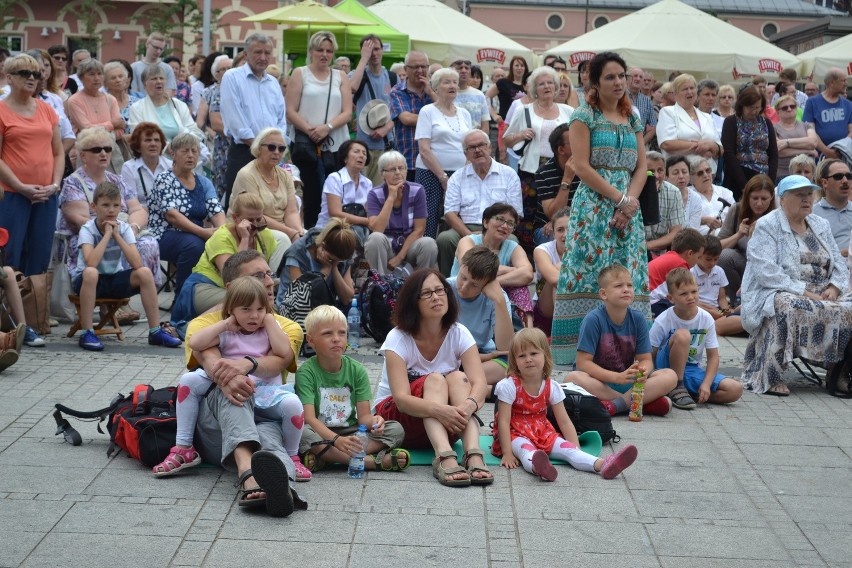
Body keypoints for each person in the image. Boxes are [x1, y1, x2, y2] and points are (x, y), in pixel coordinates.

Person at [184, 251, 307, 517]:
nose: (269, 282)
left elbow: (281, 359)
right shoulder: (205, 324)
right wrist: (230, 377)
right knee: (236, 394)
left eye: (269, 274)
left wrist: (247, 364)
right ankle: (247, 474)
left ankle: (282, 488)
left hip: (264, 413)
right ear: (232, 290)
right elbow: (206, 356)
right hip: (218, 421)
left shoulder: (286, 326)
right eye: (257, 276)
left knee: (270, 441)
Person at [154, 275, 309, 480]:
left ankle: (292, 456)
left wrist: (270, 321)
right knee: (188, 381)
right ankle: (184, 446)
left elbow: (282, 352)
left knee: (293, 405)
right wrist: (224, 324)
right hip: (231, 390)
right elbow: (196, 343)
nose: (254, 316)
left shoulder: (270, 328)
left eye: (260, 309)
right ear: (231, 310)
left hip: (265, 392)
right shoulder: (228, 330)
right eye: (246, 309)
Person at [551, 51, 649, 365]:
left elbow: (642, 165)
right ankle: (579, 351)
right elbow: (580, 166)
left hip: (628, 208)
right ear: (595, 82)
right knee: (588, 272)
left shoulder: (632, 115)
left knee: (625, 271)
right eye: (610, 77)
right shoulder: (584, 116)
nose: (618, 82)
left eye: (621, 75)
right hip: (594, 206)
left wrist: (630, 204)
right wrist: (620, 200)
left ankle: (626, 349)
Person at [373, 268, 494, 486]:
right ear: (413, 302)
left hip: (448, 423)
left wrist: (467, 406)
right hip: (397, 422)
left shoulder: (459, 332)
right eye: (427, 293)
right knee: (436, 379)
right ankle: (444, 457)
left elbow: (480, 384)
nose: (436, 297)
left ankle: (473, 454)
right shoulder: (398, 338)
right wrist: (441, 410)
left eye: (440, 290)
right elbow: (401, 400)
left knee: (458, 378)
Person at [741, 175, 852, 396]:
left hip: (822, 291)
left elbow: (839, 263)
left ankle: (838, 370)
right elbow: (766, 271)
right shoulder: (767, 225)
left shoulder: (820, 224)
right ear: (782, 199)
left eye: (809, 194)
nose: (806, 199)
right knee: (786, 304)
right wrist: (804, 291)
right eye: (799, 195)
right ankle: (771, 376)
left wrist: (835, 287)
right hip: (779, 289)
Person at [494, 328, 638, 482]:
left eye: (534, 353)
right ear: (515, 361)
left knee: (567, 449)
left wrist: (575, 447)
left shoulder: (552, 386)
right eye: (522, 356)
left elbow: (564, 421)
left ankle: (603, 465)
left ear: (545, 355)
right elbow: (503, 421)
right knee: (526, 452)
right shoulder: (508, 386)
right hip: (515, 433)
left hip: (543, 431)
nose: (528, 359)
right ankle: (539, 467)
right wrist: (507, 453)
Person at [60, 127, 163, 318]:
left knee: (148, 243)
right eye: (97, 149)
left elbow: (138, 209)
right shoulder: (73, 182)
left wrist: (131, 228)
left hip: (120, 230)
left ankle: (124, 303)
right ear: (83, 156)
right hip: (89, 237)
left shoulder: (117, 180)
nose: (103, 153)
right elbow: (77, 219)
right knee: (115, 244)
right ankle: (113, 307)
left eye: (107, 149)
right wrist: (108, 230)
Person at [296, 305, 409, 473]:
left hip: (351, 432)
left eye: (342, 333)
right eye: (328, 333)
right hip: (320, 432)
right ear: (311, 341)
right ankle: (369, 462)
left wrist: (376, 422)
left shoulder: (357, 370)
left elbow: (364, 418)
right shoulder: (306, 372)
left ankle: (328, 458)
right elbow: (310, 419)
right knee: (302, 433)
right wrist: (335, 440)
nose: (336, 339)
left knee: (396, 430)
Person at [72, 182, 181, 351]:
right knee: (92, 272)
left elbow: (136, 263)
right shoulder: (87, 229)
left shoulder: (123, 228)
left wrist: (116, 235)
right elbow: (91, 262)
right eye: (105, 205)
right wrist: (107, 235)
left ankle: (155, 331)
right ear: (94, 206)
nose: (111, 210)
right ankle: (87, 332)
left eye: (116, 206)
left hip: (113, 279)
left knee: (144, 272)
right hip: (86, 282)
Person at [565, 264, 678, 416]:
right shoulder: (593, 319)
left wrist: (642, 371)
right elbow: (583, 363)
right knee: (572, 378)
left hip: (627, 380)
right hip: (600, 382)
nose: (626, 289)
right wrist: (616, 377)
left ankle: (615, 405)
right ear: (604, 294)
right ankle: (637, 403)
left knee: (670, 375)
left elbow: (646, 359)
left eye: (630, 285)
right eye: (619, 286)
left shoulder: (638, 319)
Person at [169, 191, 278, 332]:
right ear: (235, 218)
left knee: (267, 296)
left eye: (259, 219)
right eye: (250, 220)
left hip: (240, 287)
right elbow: (234, 278)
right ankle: (188, 328)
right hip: (206, 286)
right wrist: (245, 239)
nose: (255, 225)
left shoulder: (265, 235)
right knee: (243, 301)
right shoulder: (221, 237)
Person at [0, 54, 63, 275]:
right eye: (24, 73)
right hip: (13, 195)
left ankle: (33, 308)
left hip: (46, 195)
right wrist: (20, 187)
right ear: (9, 78)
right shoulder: (1, 110)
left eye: (36, 74)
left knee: (39, 257)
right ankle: (6, 307)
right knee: (9, 256)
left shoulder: (46, 109)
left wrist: (55, 185)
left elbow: (58, 152)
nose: (32, 78)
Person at [503, 66, 574, 251]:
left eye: (550, 82)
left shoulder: (568, 111)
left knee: (558, 213)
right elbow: (506, 140)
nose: (547, 86)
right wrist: (520, 135)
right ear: (534, 88)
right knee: (529, 217)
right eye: (541, 84)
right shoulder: (523, 110)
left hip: (560, 170)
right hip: (531, 171)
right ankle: (529, 258)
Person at [286, 31, 352, 229]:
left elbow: (347, 112)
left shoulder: (340, 76)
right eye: (320, 50)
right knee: (311, 195)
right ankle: (311, 236)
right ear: (311, 51)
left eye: (329, 51)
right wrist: (310, 130)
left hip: (335, 144)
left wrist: (327, 127)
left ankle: (335, 237)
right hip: (306, 144)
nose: (324, 54)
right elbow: (290, 110)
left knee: (336, 193)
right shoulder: (300, 73)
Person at [649, 268, 743, 405]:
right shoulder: (663, 319)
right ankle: (676, 387)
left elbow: (713, 356)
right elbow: (650, 353)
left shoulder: (706, 319)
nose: (691, 297)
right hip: (665, 369)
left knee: (735, 389)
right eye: (683, 294)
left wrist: (706, 384)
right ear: (671, 298)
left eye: (694, 291)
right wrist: (651, 377)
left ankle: (689, 395)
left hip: (690, 369)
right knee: (683, 335)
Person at [148, 132, 226, 295]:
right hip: (163, 233)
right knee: (194, 245)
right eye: (185, 151)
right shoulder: (164, 179)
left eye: (194, 151)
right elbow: (172, 216)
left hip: (196, 234)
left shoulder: (204, 182)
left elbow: (216, 211)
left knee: (224, 240)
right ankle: (183, 299)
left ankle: (220, 293)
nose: (190, 155)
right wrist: (204, 233)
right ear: (173, 154)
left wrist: (221, 232)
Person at [437, 129, 522, 275]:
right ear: (466, 154)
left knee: (512, 239)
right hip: (464, 227)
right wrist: (469, 234)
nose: (477, 150)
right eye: (471, 147)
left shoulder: (509, 174)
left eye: (481, 145)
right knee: (445, 239)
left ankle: (504, 285)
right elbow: (450, 213)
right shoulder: (457, 177)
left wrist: (492, 229)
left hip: (498, 225)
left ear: (489, 147)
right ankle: (448, 285)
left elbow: (515, 212)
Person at [220, 34, 287, 212]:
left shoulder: (273, 83)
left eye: (267, 53)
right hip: (244, 151)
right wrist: (262, 148)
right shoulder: (232, 77)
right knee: (240, 208)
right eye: (258, 52)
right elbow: (236, 121)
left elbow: (281, 118)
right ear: (245, 54)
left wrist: (276, 147)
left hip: (272, 153)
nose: (263, 57)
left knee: (269, 208)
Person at [452, 203, 534, 326]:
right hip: (463, 291)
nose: (505, 226)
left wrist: (491, 284)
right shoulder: (468, 241)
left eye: (510, 223)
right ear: (486, 222)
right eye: (500, 219)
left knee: (520, 288)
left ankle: (526, 336)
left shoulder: (513, 247)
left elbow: (527, 274)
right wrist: (510, 269)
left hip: (492, 295)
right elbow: (472, 267)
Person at [413, 68, 472, 239]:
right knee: (428, 219)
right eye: (446, 82)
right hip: (431, 174)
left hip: (459, 175)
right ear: (436, 88)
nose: (452, 85)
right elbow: (424, 149)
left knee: (455, 219)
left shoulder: (464, 113)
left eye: (454, 82)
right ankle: (427, 261)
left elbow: (468, 148)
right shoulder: (427, 111)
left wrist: (463, 175)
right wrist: (443, 177)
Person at [230, 126, 303, 265]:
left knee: (310, 237)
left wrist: (298, 231)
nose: (276, 152)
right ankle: (275, 283)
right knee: (283, 239)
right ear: (258, 148)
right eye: (271, 147)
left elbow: (292, 211)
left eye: (281, 149)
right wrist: (290, 232)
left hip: (282, 226)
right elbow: (255, 217)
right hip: (253, 227)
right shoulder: (247, 175)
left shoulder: (285, 175)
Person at [448, 246, 513, 386]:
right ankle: (470, 383)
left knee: (509, 364)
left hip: (481, 353)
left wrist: (499, 302)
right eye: (463, 277)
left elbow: (505, 347)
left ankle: (458, 382)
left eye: (474, 285)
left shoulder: (497, 297)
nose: (464, 287)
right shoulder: (445, 288)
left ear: (487, 284)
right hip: (449, 353)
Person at [364, 150, 438, 275]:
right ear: (382, 174)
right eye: (392, 169)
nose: (398, 173)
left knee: (429, 243)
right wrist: (391, 198)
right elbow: (377, 229)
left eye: (401, 168)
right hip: (386, 245)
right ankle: (381, 286)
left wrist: (399, 257)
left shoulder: (417, 190)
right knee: (374, 239)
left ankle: (420, 284)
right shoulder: (374, 194)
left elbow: (419, 230)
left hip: (410, 245)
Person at [716, 174, 776, 301]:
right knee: (725, 256)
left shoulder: (777, 216)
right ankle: (733, 300)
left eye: (764, 198)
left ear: (771, 198)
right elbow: (717, 246)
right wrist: (738, 235)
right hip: (743, 261)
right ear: (747, 196)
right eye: (755, 198)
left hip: (767, 266)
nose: (759, 203)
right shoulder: (737, 209)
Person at [278, 218, 356, 308]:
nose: (337, 262)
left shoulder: (340, 255)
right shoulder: (298, 253)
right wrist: (325, 270)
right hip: (291, 310)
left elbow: (347, 299)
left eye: (340, 261)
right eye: (332, 259)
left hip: (321, 311)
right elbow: (303, 297)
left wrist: (334, 268)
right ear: (322, 246)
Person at [65, 58, 126, 174]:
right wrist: (111, 124)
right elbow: (87, 130)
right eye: (91, 74)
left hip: (112, 156)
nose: (96, 78)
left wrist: (99, 131)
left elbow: (121, 129)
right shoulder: (74, 101)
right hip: (88, 155)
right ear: (81, 77)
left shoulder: (110, 99)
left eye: (99, 74)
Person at [657, 73, 722, 178]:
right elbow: (666, 144)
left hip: (708, 174)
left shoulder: (707, 117)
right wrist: (701, 146)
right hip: (681, 175)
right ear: (675, 94)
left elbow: (720, 149)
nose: (690, 92)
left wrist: (711, 145)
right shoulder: (668, 112)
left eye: (692, 88)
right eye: (685, 89)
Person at [350, 34, 395, 185]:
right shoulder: (357, 74)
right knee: (361, 188)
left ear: (382, 50)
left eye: (376, 49)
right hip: (363, 145)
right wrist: (363, 59)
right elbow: (351, 88)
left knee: (380, 191)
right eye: (369, 50)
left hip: (386, 144)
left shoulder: (392, 77)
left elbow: (397, 111)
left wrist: (386, 129)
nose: (374, 54)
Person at [721, 86, 777, 201]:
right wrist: (744, 185)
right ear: (742, 105)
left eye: (757, 107)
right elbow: (729, 153)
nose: (754, 111)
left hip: (763, 177)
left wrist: (770, 182)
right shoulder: (731, 122)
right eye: (751, 107)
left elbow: (773, 153)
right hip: (738, 176)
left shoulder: (766, 123)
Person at [128, 65, 204, 146]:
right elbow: (137, 137)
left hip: (180, 155)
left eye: (161, 78)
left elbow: (195, 132)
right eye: (154, 79)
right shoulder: (137, 108)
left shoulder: (179, 105)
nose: (159, 81)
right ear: (144, 84)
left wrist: (178, 145)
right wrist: (165, 147)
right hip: (152, 156)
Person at [316, 139, 373, 244]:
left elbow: (369, 211)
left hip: (358, 231)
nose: (361, 155)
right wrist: (367, 221)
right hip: (330, 230)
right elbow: (335, 213)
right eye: (356, 152)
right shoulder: (335, 178)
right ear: (345, 158)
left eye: (364, 153)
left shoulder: (367, 183)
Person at [531, 124, 579, 245]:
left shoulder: (588, 166)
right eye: (575, 140)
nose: (582, 143)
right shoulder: (543, 173)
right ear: (561, 150)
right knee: (552, 234)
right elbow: (553, 214)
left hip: (580, 221)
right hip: (548, 225)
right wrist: (567, 179)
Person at [389, 51, 432, 181]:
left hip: (433, 162)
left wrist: (430, 91)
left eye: (424, 66)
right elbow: (406, 119)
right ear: (406, 69)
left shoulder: (435, 90)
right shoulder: (397, 91)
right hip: (407, 161)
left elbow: (448, 110)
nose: (420, 70)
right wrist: (436, 118)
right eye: (415, 67)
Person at [692, 235, 744, 336]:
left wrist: (725, 311)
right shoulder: (692, 272)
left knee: (730, 314)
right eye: (708, 259)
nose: (712, 263)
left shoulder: (719, 271)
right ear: (699, 256)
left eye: (716, 259)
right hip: (699, 307)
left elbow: (722, 298)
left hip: (715, 308)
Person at [194, 53, 231, 197]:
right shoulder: (209, 92)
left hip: (237, 140)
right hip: (219, 142)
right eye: (224, 69)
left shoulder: (238, 90)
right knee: (221, 181)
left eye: (230, 68)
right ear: (216, 73)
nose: (228, 72)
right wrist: (211, 130)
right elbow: (200, 122)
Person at [648, 227, 704, 318]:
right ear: (690, 253)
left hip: (649, 300)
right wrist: (713, 313)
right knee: (687, 309)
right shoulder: (680, 264)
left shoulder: (671, 257)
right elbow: (686, 298)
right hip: (653, 304)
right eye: (698, 257)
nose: (698, 261)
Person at [485, 55, 529, 160]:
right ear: (511, 68)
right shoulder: (503, 83)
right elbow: (485, 97)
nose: (519, 68)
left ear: (525, 68)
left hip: (524, 125)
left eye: (522, 65)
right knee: (503, 156)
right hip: (506, 125)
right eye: (516, 65)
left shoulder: (529, 85)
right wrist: (494, 114)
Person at [802, 68, 852, 160]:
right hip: (819, 157)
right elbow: (809, 130)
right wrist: (826, 151)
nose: (846, 84)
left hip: (843, 156)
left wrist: (841, 148)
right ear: (832, 83)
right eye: (843, 80)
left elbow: (851, 131)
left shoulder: (848, 104)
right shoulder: (812, 102)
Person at [119, 122, 171, 210]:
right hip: (142, 216)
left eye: (157, 140)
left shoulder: (170, 165)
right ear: (137, 146)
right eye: (148, 140)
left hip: (171, 215)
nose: (153, 144)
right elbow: (130, 202)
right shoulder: (128, 168)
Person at [533, 207, 569, 335]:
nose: (565, 234)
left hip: (576, 301)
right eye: (560, 230)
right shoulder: (542, 250)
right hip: (545, 310)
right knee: (560, 268)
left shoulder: (586, 249)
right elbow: (554, 279)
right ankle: (562, 331)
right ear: (553, 233)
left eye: (571, 229)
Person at [644, 151, 684, 258]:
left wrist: (648, 245)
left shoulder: (673, 192)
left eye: (660, 170)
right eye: (651, 171)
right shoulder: (633, 191)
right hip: (637, 251)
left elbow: (676, 232)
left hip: (662, 251)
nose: (656, 175)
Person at [813, 159, 852, 257]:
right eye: (838, 177)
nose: (845, 181)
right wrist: (838, 255)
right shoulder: (811, 215)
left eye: (848, 176)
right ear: (824, 183)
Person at [773, 95, 818, 178]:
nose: (789, 109)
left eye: (792, 106)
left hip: (807, 175)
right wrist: (808, 151)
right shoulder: (773, 128)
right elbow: (779, 152)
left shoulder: (806, 125)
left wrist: (786, 143)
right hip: (783, 174)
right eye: (784, 108)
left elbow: (813, 142)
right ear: (777, 111)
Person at [689, 157, 734, 236]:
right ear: (691, 178)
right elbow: (682, 221)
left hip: (728, 234)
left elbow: (736, 216)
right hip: (699, 239)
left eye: (708, 170)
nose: (705, 175)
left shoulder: (725, 193)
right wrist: (704, 220)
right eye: (700, 173)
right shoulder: (687, 194)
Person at [103, 61, 142, 138]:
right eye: (113, 78)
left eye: (121, 76)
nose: (118, 80)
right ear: (105, 84)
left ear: (127, 79)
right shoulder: (102, 103)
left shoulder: (137, 102)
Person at [451, 58, 490, 132]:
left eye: (466, 68)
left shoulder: (479, 95)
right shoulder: (447, 93)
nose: (463, 71)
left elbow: (485, 126)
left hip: (475, 140)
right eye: (460, 68)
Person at [666, 154, 702, 231]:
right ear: (666, 177)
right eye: (675, 173)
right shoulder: (661, 196)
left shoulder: (695, 198)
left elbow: (693, 231)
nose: (681, 176)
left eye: (684, 172)